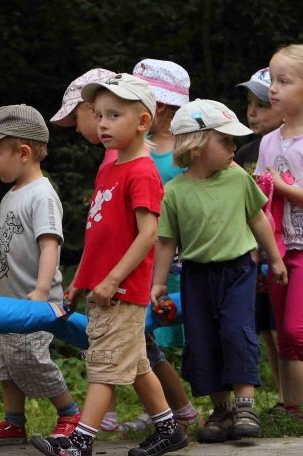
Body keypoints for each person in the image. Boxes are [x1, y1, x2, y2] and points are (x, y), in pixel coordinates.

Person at [32, 73, 187, 456]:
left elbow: (149, 234)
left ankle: (80, 441)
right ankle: (169, 428)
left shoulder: (142, 171)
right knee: (136, 363)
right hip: (102, 284)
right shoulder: (109, 167)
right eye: (99, 115)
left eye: (114, 115)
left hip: (122, 288)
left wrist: (113, 277)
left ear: (143, 122)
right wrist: (81, 279)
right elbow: (98, 233)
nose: (103, 124)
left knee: (102, 364)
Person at [152, 99, 287, 443]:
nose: (233, 147)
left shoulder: (237, 177)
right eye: (225, 140)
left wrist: (275, 259)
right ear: (196, 146)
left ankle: (245, 406)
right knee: (201, 340)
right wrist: (158, 283)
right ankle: (222, 411)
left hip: (239, 270)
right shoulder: (174, 192)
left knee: (236, 331)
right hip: (195, 275)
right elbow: (166, 241)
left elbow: (259, 218)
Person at [0, 105, 81, 446]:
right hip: (9, 301)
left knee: (29, 359)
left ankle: (69, 412)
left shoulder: (42, 194)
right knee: (1, 361)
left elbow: (50, 245)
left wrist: (42, 290)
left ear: (25, 152)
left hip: (35, 301)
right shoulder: (11, 194)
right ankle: (14, 423)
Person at [115, 58, 198, 433]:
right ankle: (163, 407)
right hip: (142, 260)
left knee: (185, 333)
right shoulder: (133, 150)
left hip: (180, 260)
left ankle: (190, 405)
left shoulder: (186, 154)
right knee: (145, 333)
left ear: (157, 107)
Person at [256, 43, 303, 424]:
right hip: (277, 248)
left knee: (295, 328)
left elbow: (278, 188)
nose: (273, 89)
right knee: (282, 333)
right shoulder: (269, 141)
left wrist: (280, 188)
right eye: (272, 79)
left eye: (284, 81)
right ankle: (292, 410)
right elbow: (259, 195)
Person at [234, 67, 285, 412]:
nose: (252, 112)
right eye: (250, 104)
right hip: (253, 254)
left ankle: (291, 397)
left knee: (287, 326)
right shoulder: (244, 153)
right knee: (264, 325)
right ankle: (283, 393)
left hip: (285, 247)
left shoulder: (290, 147)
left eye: (262, 104)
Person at [50, 68, 117, 169]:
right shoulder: (123, 151)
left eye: (75, 117)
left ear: (92, 107)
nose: (77, 129)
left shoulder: (122, 157)